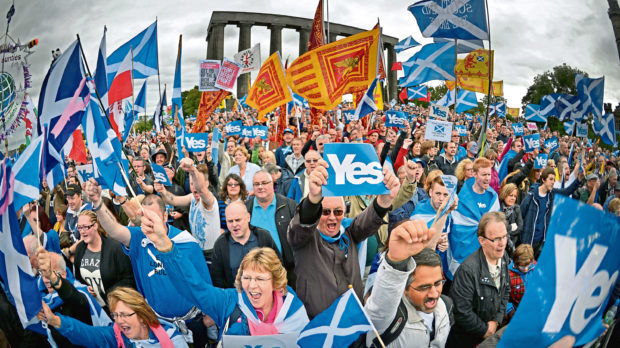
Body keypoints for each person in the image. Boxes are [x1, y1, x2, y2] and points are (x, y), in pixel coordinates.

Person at [85, 178, 212, 342]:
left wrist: (205, 321)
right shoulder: (139, 237)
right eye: (144, 216)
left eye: (154, 217)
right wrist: (97, 203)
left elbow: (206, 287)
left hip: (191, 324)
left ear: (165, 216)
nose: (148, 222)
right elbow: (115, 230)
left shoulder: (187, 243)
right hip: (157, 325)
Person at [287, 157, 400, 318]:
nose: (332, 217)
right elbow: (301, 226)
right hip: (317, 326)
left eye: (338, 212)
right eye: (325, 212)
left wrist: (384, 201)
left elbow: (366, 222)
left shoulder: (349, 234)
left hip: (350, 322)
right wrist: (313, 200)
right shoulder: (305, 240)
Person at [155, 241, 309, 338]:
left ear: (275, 282)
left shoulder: (294, 313)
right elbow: (195, 289)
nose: (252, 286)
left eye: (260, 279)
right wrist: (166, 248)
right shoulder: (229, 301)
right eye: (247, 278)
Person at [365, 219, 452, 348]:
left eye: (438, 283)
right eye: (424, 287)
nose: (434, 294)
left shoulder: (443, 307)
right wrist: (396, 260)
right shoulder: (388, 316)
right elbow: (380, 307)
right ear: (404, 287)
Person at [38, 286, 188, 347]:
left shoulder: (173, 340)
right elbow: (87, 334)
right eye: (115, 315)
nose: (119, 321)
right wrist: (56, 321)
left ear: (142, 316)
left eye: (124, 315)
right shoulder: (116, 335)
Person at [447, 212, 511, 348]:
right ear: (482, 240)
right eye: (496, 239)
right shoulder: (467, 271)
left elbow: (506, 290)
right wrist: (485, 330)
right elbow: (462, 311)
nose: (502, 243)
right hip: (466, 340)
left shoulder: (504, 257)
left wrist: (496, 321)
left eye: (505, 236)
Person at [155, 158, 220, 262]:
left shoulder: (209, 200)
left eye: (196, 182)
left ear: (207, 183)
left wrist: (193, 170)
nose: (194, 187)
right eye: (191, 183)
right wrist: (162, 190)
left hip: (212, 254)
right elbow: (174, 200)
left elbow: (201, 189)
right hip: (198, 250)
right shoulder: (192, 197)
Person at [73, 210, 135, 309]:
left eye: (85, 227)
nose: (82, 231)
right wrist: (85, 288)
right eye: (79, 227)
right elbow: (78, 279)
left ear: (95, 226)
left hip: (114, 306)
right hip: (92, 308)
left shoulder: (115, 247)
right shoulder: (80, 248)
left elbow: (129, 279)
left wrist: (110, 293)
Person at [245, 170, 297, 287]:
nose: (260, 187)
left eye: (264, 183)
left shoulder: (289, 206)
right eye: (257, 184)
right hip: (255, 271)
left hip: (286, 270)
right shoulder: (246, 208)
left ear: (273, 184)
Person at [449, 158, 500, 276]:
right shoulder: (461, 197)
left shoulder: (493, 197)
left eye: (489, 174)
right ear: (475, 174)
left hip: (485, 254)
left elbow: (496, 224)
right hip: (465, 253)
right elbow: (456, 227)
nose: (487, 178)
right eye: (484, 174)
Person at [211, 202, 280, 288]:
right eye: (230, 221)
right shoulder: (220, 244)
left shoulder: (264, 237)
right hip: (236, 297)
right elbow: (217, 279)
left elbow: (278, 267)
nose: (234, 225)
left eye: (238, 220)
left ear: (248, 217)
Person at [35, 248, 94, 347]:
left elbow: (74, 297)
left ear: (64, 274)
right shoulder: (41, 299)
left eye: (51, 274)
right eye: (44, 274)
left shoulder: (80, 292)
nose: (46, 280)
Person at [520, 167, 582, 257]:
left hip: (541, 242)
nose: (553, 182)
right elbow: (521, 214)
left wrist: (578, 180)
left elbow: (567, 191)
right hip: (527, 240)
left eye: (554, 179)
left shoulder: (551, 194)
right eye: (551, 179)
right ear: (543, 179)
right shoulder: (531, 196)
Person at [506, 244, 536, 322]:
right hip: (517, 307)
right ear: (516, 263)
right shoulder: (508, 275)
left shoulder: (536, 267)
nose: (525, 269)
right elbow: (504, 296)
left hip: (533, 305)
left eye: (528, 265)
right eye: (522, 266)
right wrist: (509, 310)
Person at [499, 183, 523, 248]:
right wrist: (511, 227)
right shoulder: (498, 208)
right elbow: (498, 229)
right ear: (504, 195)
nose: (513, 198)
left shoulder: (517, 208)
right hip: (499, 243)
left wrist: (507, 231)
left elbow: (520, 228)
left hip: (513, 244)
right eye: (510, 195)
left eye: (515, 196)